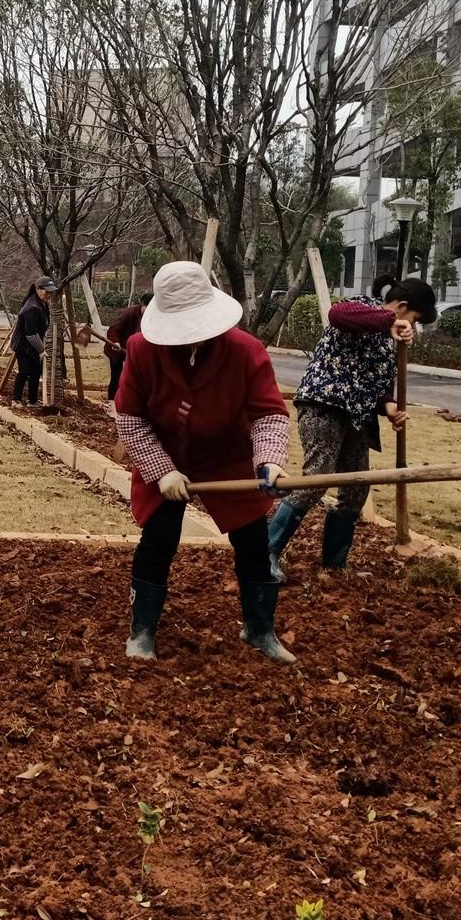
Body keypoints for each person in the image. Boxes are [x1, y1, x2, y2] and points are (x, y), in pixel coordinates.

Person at [115, 262, 295, 665]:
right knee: (159, 540)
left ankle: (259, 629)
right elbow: (130, 417)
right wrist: (161, 470)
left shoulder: (246, 351)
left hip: (227, 457)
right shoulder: (142, 350)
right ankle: (142, 631)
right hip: (165, 453)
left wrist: (268, 461)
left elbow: (268, 413)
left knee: (252, 543)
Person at [266, 274, 437, 574]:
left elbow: (380, 386)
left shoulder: (391, 340)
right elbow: (338, 315)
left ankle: (335, 564)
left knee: (357, 487)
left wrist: (390, 406)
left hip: (357, 416)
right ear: (402, 306)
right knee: (316, 478)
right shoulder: (362, 308)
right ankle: (264, 553)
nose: (413, 327)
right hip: (325, 404)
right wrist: (389, 320)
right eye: (415, 319)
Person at [87, 293, 153, 401]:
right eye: (148, 308)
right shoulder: (128, 313)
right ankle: (112, 400)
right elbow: (114, 329)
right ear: (142, 305)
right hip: (116, 351)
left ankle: (129, 399)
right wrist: (115, 341)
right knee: (116, 377)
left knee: (134, 378)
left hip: (132, 352)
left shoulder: (150, 317)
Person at [11, 276, 57, 404]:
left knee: (36, 372)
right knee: (24, 372)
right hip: (23, 346)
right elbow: (30, 334)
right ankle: (16, 400)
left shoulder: (42, 304)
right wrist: (41, 350)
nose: (48, 294)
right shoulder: (32, 308)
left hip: (34, 345)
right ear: (38, 289)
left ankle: (32, 401)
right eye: (46, 291)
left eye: (50, 292)